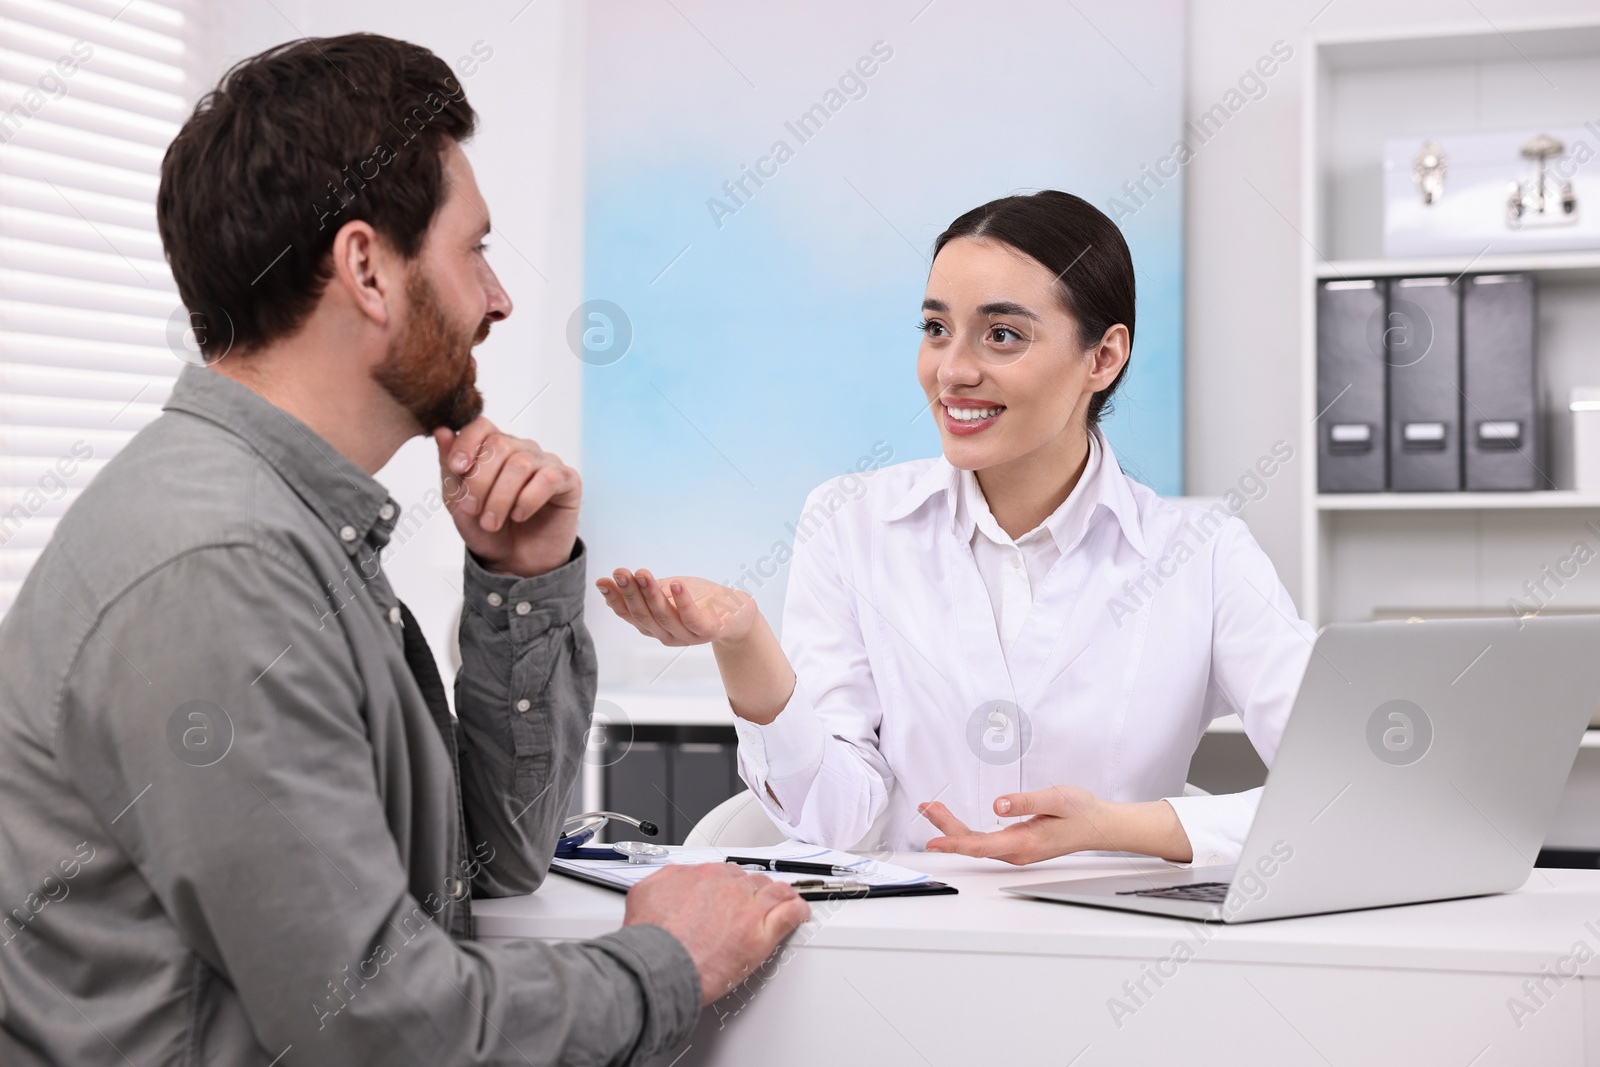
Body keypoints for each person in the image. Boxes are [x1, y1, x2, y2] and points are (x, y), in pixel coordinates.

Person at [0, 34, 807, 1066]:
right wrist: (670, 959)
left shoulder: (290, 527)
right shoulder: (220, 566)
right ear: (369, 270)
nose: (499, 299)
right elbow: (376, 1023)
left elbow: (488, 863)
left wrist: (519, 587)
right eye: (474, 250)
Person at [600, 190, 1314, 868]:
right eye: (937, 328)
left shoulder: (1203, 553)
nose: (952, 370)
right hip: (907, 949)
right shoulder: (852, 524)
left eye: (1002, 335)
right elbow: (835, 821)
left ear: (1104, 357)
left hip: (1113, 950)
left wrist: (1118, 828)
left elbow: (1347, 789)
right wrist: (743, 640)